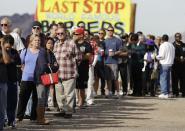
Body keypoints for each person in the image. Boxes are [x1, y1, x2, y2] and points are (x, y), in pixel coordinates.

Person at [17, 34, 50, 124]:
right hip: (26, 78)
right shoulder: (25, 51)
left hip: (39, 79)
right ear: (31, 41)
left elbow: (47, 63)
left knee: (37, 99)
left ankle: (34, 117)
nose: (37, 42)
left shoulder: (43, 51)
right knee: (23, 98)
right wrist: (24, 70)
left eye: (39, 40)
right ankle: (19, 117)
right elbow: (20, 63)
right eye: (35, 40)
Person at [53, 27, 82, 118]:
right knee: (60, 94)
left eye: (62, 33)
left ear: (65, 33)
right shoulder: (56, 44)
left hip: (69, 73)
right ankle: (62, 110)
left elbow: (79, 57)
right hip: (58, 74)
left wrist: (73, 66)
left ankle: (69, 111)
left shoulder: (71, 43)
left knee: (69, 94)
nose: (60, 35)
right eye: (58, 34)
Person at [3, 35, 21, 128]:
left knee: (12, 102)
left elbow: (10, 61)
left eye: (10, 45)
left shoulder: (14, 52)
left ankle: (11, 120)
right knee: (3, 102)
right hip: (3, 81)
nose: (8, 47)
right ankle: (4, 120)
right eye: (6, 45)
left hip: (12, 81)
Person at [75, 27, 92, 108]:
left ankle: (82, 102)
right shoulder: (73, 44)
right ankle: (78, 100)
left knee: (82, 86)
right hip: (74, 68)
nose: (75, 35)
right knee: (76, 86)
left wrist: (78, 56)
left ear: (81, 35)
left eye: (77, 34)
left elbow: (88, 56)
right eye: (75, 34)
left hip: (83, 68)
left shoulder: (87, 45)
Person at [104, 26, 122, 97]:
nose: (110, 31)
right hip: (106, 62)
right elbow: (102, 50)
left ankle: (117, 92)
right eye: (109, 30)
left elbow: (121, 50)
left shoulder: (117, 40)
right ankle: (110, 92)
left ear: (113, 31)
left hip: (114, 61)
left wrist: (114, 53)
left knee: (115, 78)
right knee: (108, 78)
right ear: (107, 31)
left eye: (111, 30)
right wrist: (104, 52)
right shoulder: (105, 41)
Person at [156, 34, 175, 99]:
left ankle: (164, 93)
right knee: (167, 79)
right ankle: (168, 92)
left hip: (164, 64)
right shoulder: (172, 45)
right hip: (170, 63)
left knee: (163, 79)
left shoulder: (163, 45)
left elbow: (161, 56)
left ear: (162, 39)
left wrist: (155, 57)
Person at [0, 32, 11, 131]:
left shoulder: (5, 49)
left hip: (2, 81)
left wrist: (2, 46)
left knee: (2, 106)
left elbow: (7, 61)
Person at [172, 33, 185, 97]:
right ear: (175, 37)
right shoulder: (172, 45)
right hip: (175, 65)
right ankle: (175, 92)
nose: (178, 37)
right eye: (177, 36)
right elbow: (172, 55)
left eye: (179, 36)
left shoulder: (183, 45)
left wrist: (183, 58)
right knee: (175, 80)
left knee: (183, 79)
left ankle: (183, 92)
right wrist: (179, 59)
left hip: (183, 66)